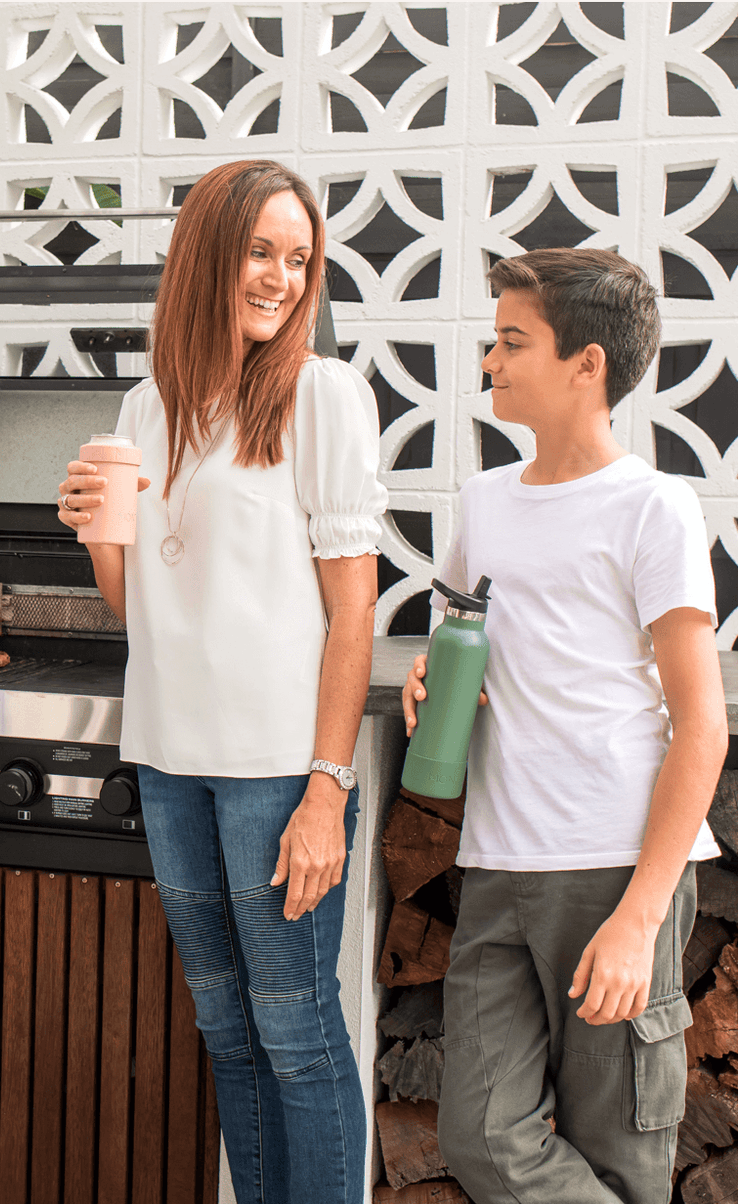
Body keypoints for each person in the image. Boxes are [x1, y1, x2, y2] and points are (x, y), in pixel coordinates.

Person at [57, 160, 388, 1203]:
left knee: (296, 1029)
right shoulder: (146, 405)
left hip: (276, 772)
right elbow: (137, 608)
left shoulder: (324, 396)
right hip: (168, 761)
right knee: (229, 1029)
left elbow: (353, 610)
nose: (282, 279)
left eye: (299, 259)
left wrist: (327, 789)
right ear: (207, 253)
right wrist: (92, 529)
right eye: (261, 252)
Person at [402, 248, 728, 1204]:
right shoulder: (483, 502)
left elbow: (701, 725)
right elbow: (464, 642)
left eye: (513, 342)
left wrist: (640, 918)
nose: (491, 361)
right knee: (480, 1135)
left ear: (589, 364)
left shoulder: (655, 506)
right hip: (500, 864)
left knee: (622, 1152)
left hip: (614, 869)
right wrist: (433, 677)